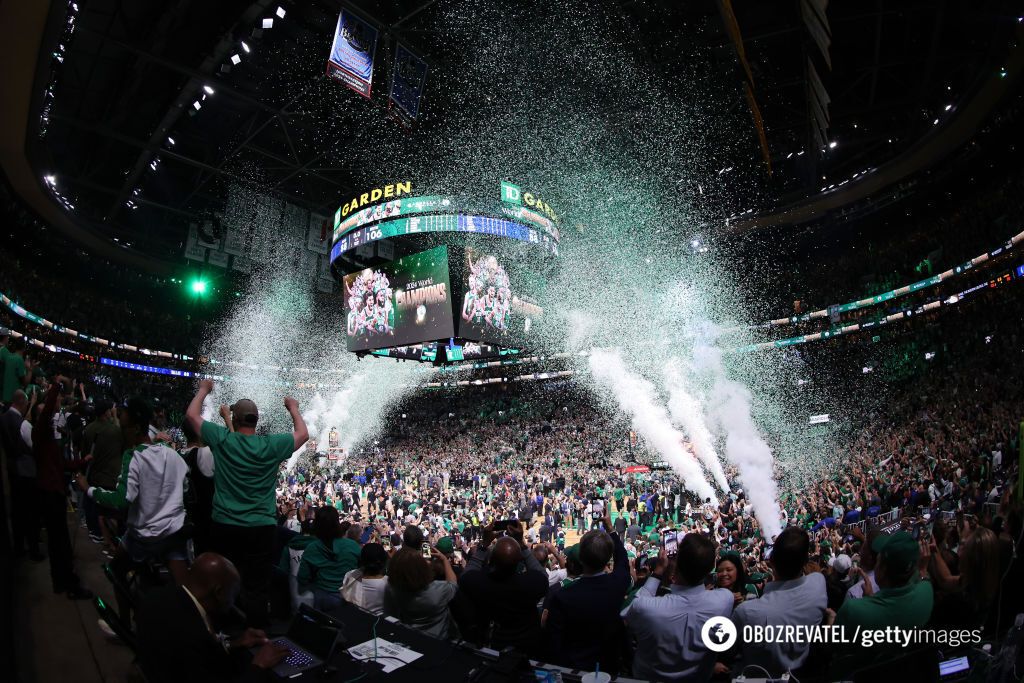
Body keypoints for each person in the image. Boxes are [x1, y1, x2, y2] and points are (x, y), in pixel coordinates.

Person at [186, 379, 309, 627]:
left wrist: (204, 390)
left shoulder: (222, 440)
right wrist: (293, 408)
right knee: (257, 588)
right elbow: (303, 434)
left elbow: (191, 415)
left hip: (225, 526)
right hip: (261, 528)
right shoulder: (271, 445)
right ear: (256, 420)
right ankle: (257, 639)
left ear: (235, 417)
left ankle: (225, 633)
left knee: (223, 582)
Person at [136, 552, 289, 683]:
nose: (233, 602)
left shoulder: (157, 596)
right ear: (219, 592)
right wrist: (259, 665)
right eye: (233, 595)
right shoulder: (193, 633)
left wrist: (234, 644)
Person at [623, 533, 734, 681]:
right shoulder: (725, 599)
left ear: (676, 565)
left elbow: (628, 611)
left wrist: (658, 571)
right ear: (712, 567)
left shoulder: (646, 607)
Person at [829, 531, 933, 677]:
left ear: (882, 571)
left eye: (878, 560)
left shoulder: (854, 609)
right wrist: (922, 570)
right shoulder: (927, 592)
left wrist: (831, 620)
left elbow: (832, 645)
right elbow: (923, 577)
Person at [733, 526, 827, 678]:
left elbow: (726, 650)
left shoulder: (745, 612)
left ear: (771, 562)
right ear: (805, 561)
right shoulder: (818, 584)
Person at [543, 514, 631, 671]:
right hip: (608, 667)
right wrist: (610, 530)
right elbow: (623, 560)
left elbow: (554, 643)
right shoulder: (618, 584)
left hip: (573, 670)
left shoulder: (562, 597)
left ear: (580, 559)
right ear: (607, 561)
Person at [34, 375, 92, 599]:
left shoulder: (47, 439)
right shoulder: (40, 433)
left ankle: (60, 582)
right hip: (50, 494)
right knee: (61, 545)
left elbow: (62, 464)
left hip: (53, 491)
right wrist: (57, 385)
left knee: (59, 544)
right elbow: (48, 409)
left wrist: (81, 461)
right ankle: (70, 584)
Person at [459, 521, 549, 655]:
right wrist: (522, 544)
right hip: (526, 646)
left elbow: (466, 574)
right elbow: (542, 575)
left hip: (493, 646)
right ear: (519, 562)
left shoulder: (481, 583)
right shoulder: (529, 584)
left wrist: (484, 545)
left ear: (491, 561)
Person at [384, 543, 458, 638]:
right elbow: (453, 584)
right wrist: (444, 560)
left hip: (408, 636)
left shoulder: (392, 589)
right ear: (422, 570)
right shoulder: (437, 590)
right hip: (438, 641)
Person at [2, 389, 43, 560]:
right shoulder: (22, 424)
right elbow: (35, 448)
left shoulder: (3, 418)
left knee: (17, 514)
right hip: (26, 474)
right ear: (23, 402)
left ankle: (18, 550)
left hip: (11, 472)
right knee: (30, 514)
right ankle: (34, 552)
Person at [297, 506, 361, 613]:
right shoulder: (353, 546)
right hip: (349, 599)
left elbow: (302, 578)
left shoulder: (312, 548)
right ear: (337, 523)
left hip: (322, 598)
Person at [80, 400, 123, 548]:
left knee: (93, 505)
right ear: (106, 412)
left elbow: (84, 451)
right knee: (107, 512)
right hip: (109, 476)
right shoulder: (114, 430)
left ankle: (95, 532)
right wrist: (116, 416)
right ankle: (108, 540)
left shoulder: (89, 428)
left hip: (93, 474)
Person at [340, 543, 389, 615]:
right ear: (384, 560)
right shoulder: (389, 583)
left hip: (351, 616)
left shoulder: (350, 574)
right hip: (376, 622)